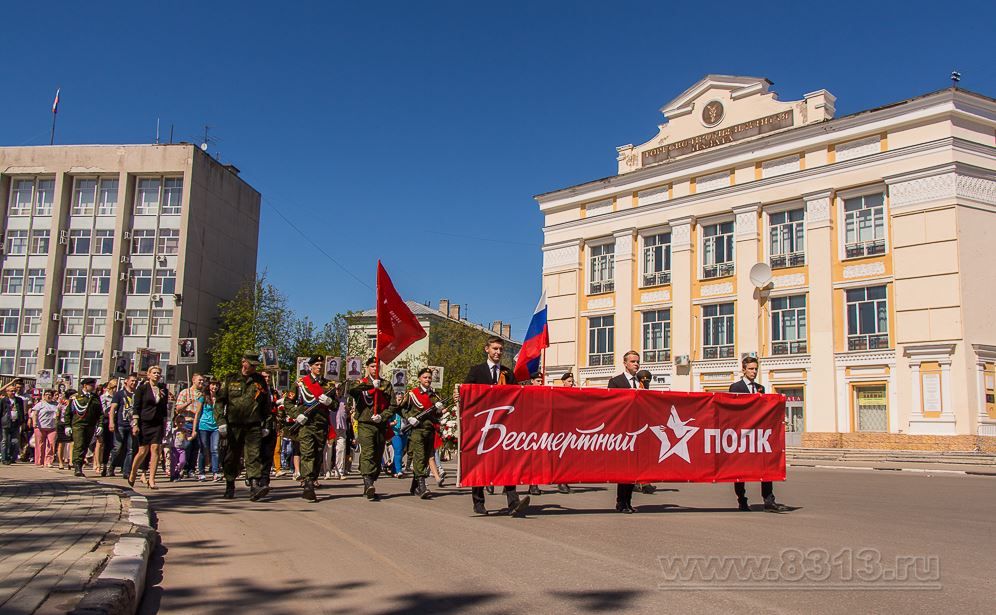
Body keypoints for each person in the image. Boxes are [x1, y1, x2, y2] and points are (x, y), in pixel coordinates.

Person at [462, 336, 530, 517]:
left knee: (507, 461)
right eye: (495, 349)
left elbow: (517, 396)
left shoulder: (508, 373)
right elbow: (466, 394)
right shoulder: (476, 371)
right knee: (480, 463)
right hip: (481, 425)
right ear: (487, 349)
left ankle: (513, 501)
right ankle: (478, 502)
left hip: (504, 427)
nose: (498, 352)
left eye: (500, 349)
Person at [729, 356, 789, 512]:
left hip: (758, 436)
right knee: (740, 470)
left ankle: (769, 500)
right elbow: (733, 411)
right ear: (743, 370)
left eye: (755, 369)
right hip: (742, 435)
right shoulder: (736, 387)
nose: (754, 372)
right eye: (751, 369)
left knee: (766, 465)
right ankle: (742, 500)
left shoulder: (761, 388)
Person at [216, 353, 271, 501]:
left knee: (253, 456)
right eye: (250, 364)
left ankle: (254, 486)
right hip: (233, 425)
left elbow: (266, 404)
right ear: (243, 362)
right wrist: (221, 421)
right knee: (231, 457)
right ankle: (229, 484)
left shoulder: (259, 381)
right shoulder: (230, 379)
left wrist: (266, 424)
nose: (253, 367)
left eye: (255, 365)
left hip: (253, 425)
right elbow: (220, 402)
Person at [348, 357, 394, 501]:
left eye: (377, 366)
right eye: (373, 366)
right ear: (367, 367)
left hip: (380, 424)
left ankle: (370, 481)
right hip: (365, 423)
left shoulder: (386, 384)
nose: (375, 369)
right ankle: (368, 482)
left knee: (378, 454)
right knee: (368, 452)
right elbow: (352, 390)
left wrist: (383, 416)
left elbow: (393, 405)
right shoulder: (360, 383)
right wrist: (370, 386)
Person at [290, 356, 335, 502]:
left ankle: (312, 478)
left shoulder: (329, 385)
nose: (319, 367)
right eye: (316, 364)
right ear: (310, 367)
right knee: (308, 452)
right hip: (306, 424)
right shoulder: (301, 383)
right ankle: (308, 484)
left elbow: (335, 405)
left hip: (321, 425)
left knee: (317, 453)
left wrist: (329, 402)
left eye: (321, 365)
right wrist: (297, 415)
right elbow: (288, 402)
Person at [398, 368, 444, 499]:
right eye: (425, 377)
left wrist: (439, 409)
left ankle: (414, 486)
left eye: (429, 378)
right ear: (419, 379)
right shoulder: (412, 393)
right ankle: (422, 487)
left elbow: (437, 414)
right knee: (419, 456)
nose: (428, 380)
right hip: (417, 430)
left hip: (430, 430)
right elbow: (400, 408)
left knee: (424, 459)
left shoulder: (434, 395)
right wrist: (409, 418)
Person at [607, 351, 641, 513]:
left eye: (637, 362)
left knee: (633, 469)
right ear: (625, 363)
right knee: (624, 470)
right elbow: (611, 406)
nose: (636, 364)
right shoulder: (615, 382)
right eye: (633, 361)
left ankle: (628, 502)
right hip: (622, 432)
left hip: (638, 431)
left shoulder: (641, 382)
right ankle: (621, 502)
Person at [129, 367, 169, 488]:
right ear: (148, 375)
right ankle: (133, 472)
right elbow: (136, 407)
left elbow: (164, 408)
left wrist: (165, 422)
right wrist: (135, 424)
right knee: (142, 451)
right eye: (154, 373)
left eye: (159, 373)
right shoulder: (141, 389)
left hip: (157, 423)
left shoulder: (163, 389)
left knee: (156, 449)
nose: (157, 375)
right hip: (144, 422)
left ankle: (152, 479)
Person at [68, 379, 103, 477]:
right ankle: (77, 466)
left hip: (90, 425)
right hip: (78, 424)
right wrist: (67, 426)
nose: (93, 386)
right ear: (85, 386)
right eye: (91, 385)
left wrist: (100, 425)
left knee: (85, 446)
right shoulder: (75, 397)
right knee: (79, 445)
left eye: (93, 385)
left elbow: (100, 413)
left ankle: (80, 463)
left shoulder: (95, 397)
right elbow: (68, 413)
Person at [174, 374, 206, 479]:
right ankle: (182, 467)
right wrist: (187, 404)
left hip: (198, 423)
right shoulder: (185, 392)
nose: (201, 382)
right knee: (185, 447)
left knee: (196, 447)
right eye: (199, 380)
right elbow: (178, 409)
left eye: (203, 381)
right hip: (186, 422)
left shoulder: (203, 395)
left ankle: (191, 469)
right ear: (193, 380)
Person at [109, 373, 138, 478]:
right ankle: (111, 466)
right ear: (126, 381)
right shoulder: (119, 394)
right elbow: (113, 409)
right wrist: (111, 422)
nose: (134, 383)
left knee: (131, 449)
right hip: (120, 424)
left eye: (136, 381)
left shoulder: (137, 394)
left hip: (132, 425)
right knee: (118, 447)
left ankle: (126, 471)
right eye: (132, 380)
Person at [192, 379, 222, 481]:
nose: (215, 387)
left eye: (217, 385)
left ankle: (215, 472)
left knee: (215, 449)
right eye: (213, 385)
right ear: (209, 386)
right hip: (203, 426)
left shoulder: (220, 398)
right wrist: (194, 429)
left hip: (216, 427)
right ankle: (201, 472)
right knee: (204, 448)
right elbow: (197, 413)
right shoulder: (203, 397)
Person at [276, 387, 302, 479]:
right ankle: (297, 471)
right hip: (293, 428)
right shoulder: (286, 403)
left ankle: (301, 470)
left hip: (304, 425)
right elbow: (281, 414)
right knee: (295, 449)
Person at [94, 379, 118, 476]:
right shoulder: (104, 397)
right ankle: (98, 464)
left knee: (111, 445)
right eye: (116, 387)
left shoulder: (118, 397)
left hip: (115, 421)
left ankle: (108, 466)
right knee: (100, 443)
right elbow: (103, 411)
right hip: (105, 421)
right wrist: (112, 410)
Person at [30, 390, 59, 467]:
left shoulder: (56, 404)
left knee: (51, 443)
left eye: (50, 395)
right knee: (40, 444)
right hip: (40, 427)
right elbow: (35, 413)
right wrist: (35, 423)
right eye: (46, 394)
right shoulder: (40, 404)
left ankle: (49, 461)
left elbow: (59, 413)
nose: (48, 396)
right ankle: (40, 461)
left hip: (52, 427)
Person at [1, 384, 25, 464]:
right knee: (5, 441)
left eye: (14, 391)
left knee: (15, 441)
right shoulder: (4, 400)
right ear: (7, 392)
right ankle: (4, 458)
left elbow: (21, 411)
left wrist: (22, 421)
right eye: (11, 391)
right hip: (6, 423)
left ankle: (11, 457)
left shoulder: (19, 400)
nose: (13, 392)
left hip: (16, 423)